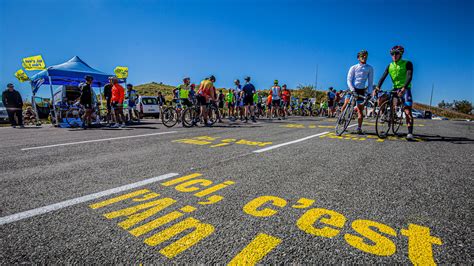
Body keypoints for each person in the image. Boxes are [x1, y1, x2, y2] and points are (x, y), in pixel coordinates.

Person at [375, 45, 415, 140]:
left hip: (405, 88)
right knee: (381, 98)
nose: (394, 55)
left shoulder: (407, 63)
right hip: (395, 88)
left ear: (401, 54)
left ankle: (409, 133)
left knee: (407, 111)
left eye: (396, 53)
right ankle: (385, 114)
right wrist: (377, 87)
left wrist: (404, 88)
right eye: (392, 54)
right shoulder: (390, 65)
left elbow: (409, 76)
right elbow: (383, 77)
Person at [345, 50, 374, 134]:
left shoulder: (370, 68)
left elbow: (370, 82)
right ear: (358, 58)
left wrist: (369, 93)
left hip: (361, 90)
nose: (364, 57)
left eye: (365, 56)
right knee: (346, 104)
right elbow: (349, 80)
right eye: (362, 56)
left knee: (360, 110)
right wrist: (352, 90)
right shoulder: (353, 67)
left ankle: (359, 127)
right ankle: (342, 119)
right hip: (352, 88)